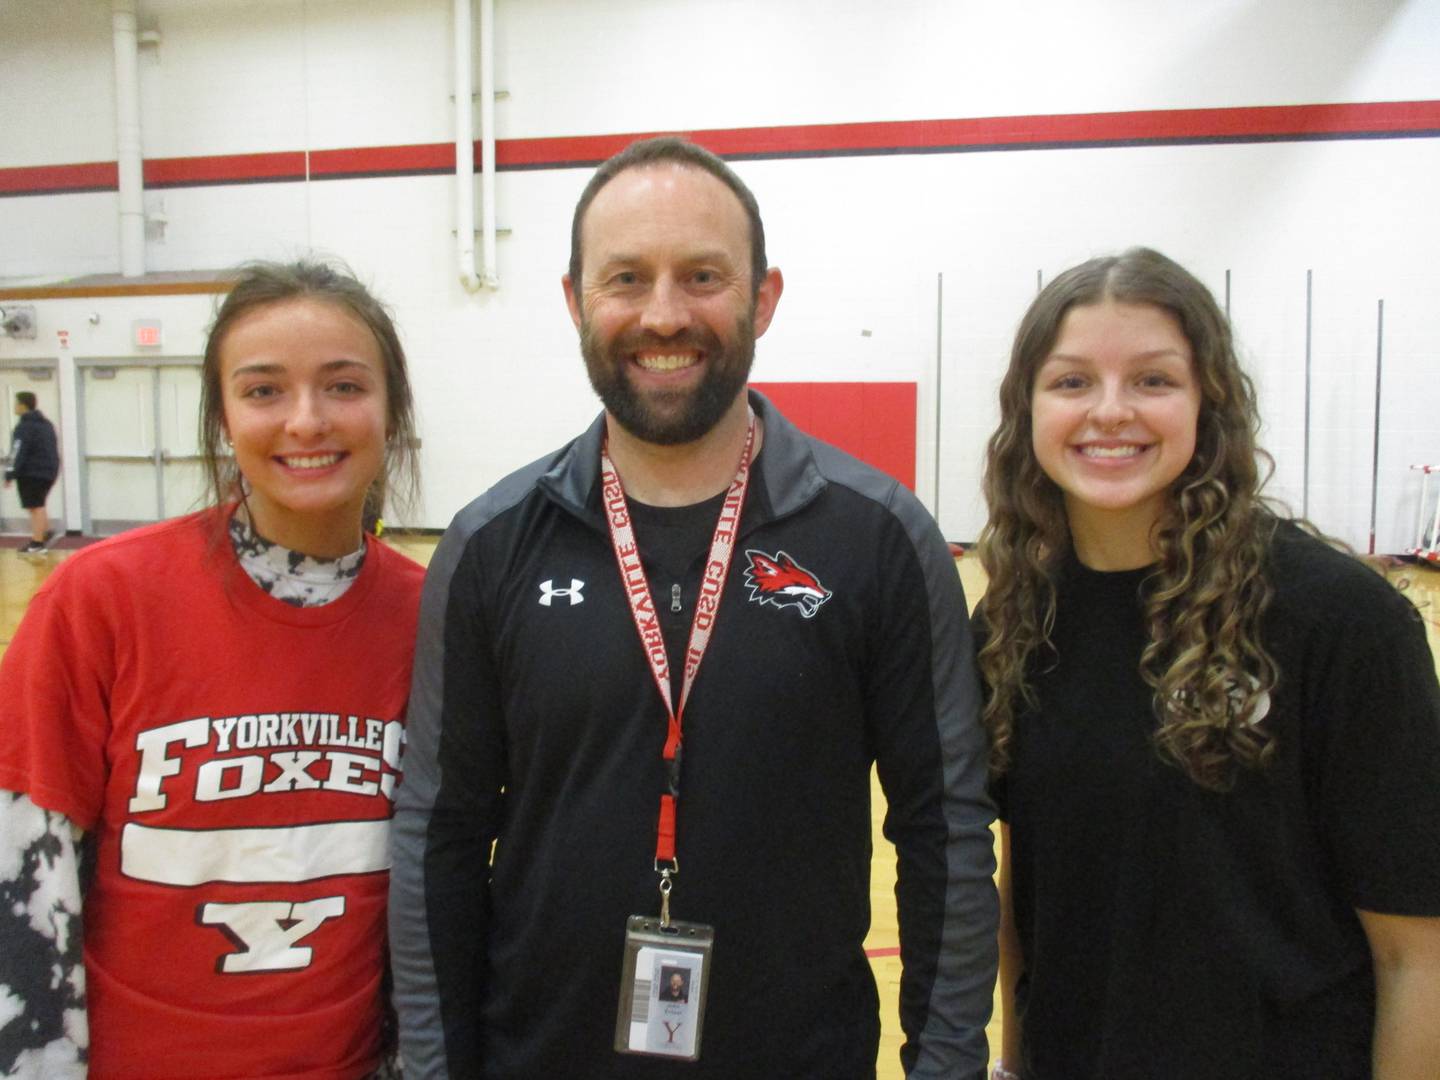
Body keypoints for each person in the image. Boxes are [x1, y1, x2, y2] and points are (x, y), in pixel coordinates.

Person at [389, 136, 997, 1079]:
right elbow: (442, 831)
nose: (663, 315)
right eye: (626, 277)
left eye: (702, 276)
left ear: (763, 296)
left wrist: (948, 1067)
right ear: (574, 301)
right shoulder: (490, 544)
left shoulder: (879, 538)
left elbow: (945, 830)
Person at [975, 247, 1440, 1080]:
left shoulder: (1341, 622)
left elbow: (1417, 955)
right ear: (1028, 408)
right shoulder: (1013, 619)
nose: (1109, 412)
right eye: (1073, 381)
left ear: (1208, 404)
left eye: (1153, 380)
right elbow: (1033, 885)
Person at [0, 260, 425, 1079]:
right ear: (223, 417)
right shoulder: (101, 598)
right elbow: (24, 884)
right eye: (264, 391)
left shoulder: (433, 617)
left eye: (343, 386)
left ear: (390, 410)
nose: (306, 421)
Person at [5, 391, 59, 555]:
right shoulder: (46, 424)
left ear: (22, 405)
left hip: (32, 472)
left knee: (35, 507)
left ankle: (37, 543)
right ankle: (45, 531)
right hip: (50, 470)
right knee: (39, 503)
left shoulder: (24, 427)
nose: (14, 407)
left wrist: (9, 473)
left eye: (15, 403)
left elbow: (17, 452)